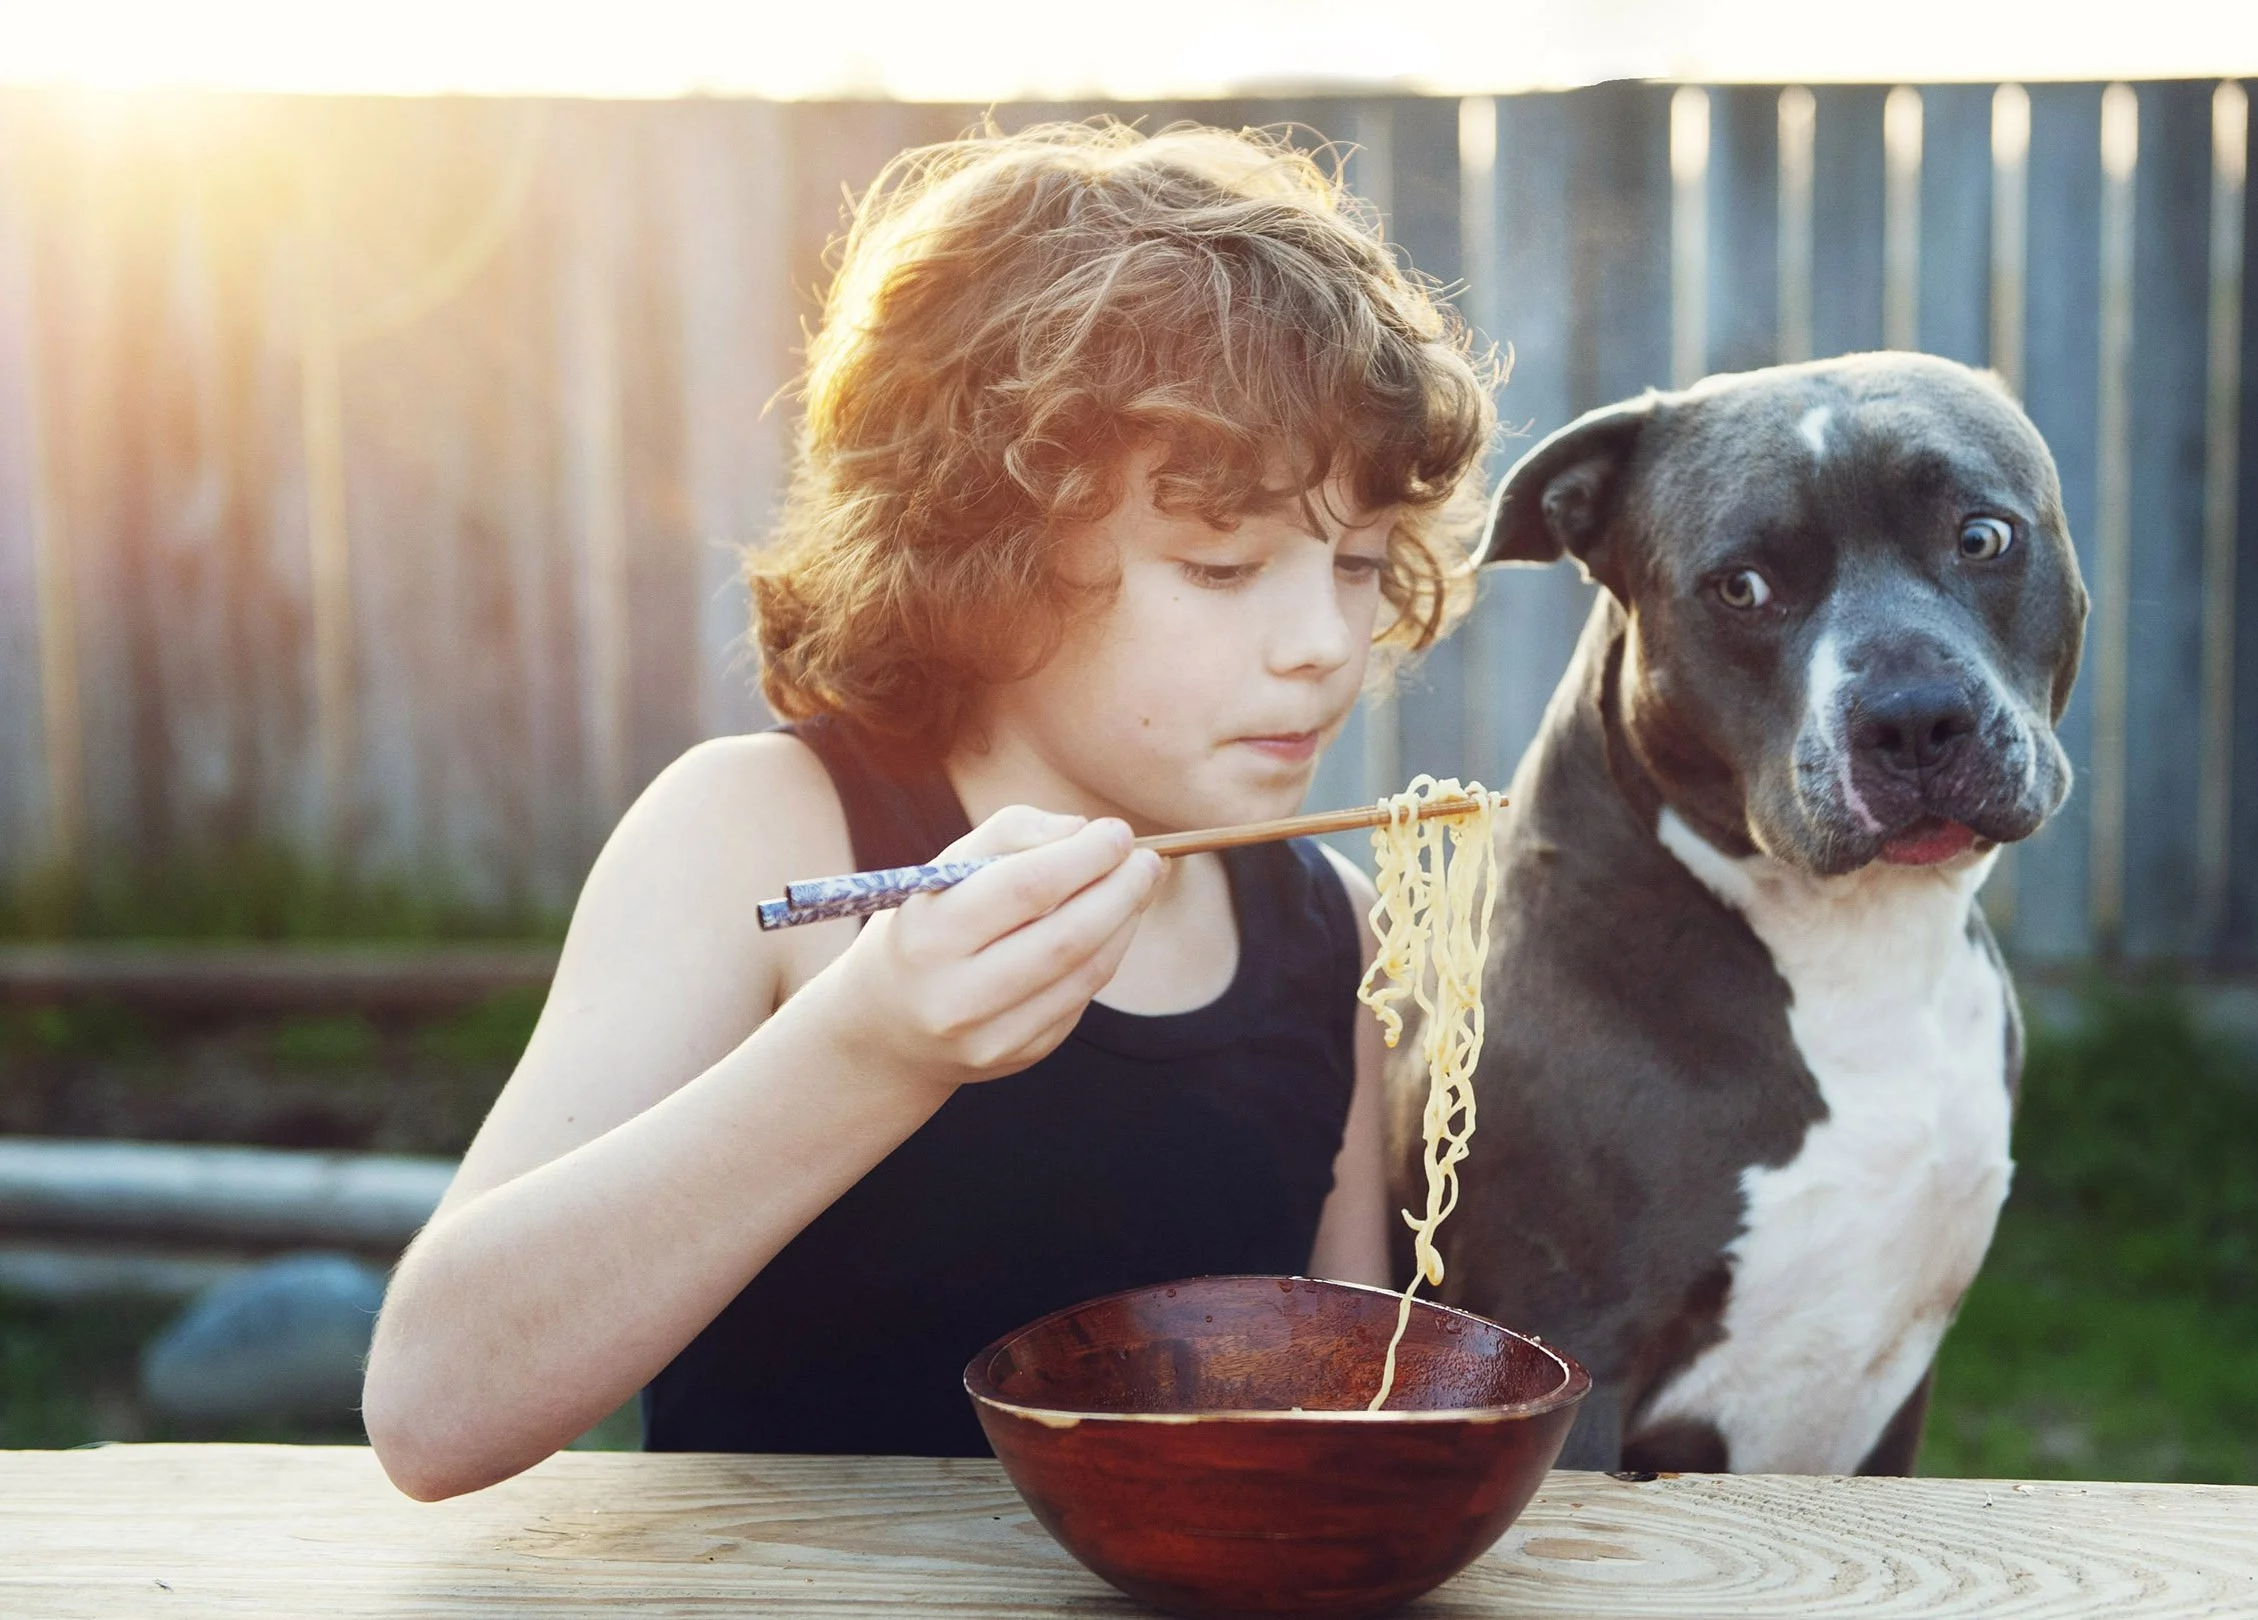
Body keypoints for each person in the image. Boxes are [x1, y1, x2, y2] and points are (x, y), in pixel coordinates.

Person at [361, 119, 1496, 1500]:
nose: (1326, 640)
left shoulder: (1335, 932)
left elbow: (1346, 1401)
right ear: (983, 548)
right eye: (1221, 564)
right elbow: (433, 1410)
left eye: (1362, 561)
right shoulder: (756, 831)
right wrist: (870, 1050)